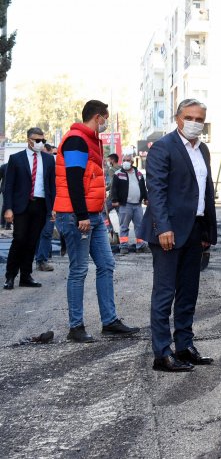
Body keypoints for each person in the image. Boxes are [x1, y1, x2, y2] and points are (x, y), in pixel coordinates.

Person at [139, 98, 217, 373]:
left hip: (194, 230)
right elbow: (156, 191)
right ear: (178, 118)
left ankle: (184, 345)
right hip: (168, 232)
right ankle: (162, 353)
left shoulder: (203, 150)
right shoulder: (163, 148)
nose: (195, 123)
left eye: (200, 119)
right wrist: (164, 228)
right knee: (164, 293)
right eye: (190, 117)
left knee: (188, 293)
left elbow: (205, 192)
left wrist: (206, 230)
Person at [54, 100, 140, 342]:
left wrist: (95, 214)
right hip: (76, 215)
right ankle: (76, 327)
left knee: (106, 263)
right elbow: (73, 179)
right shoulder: (76, 140)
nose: (106, 123)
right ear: (98, 117)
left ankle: (109, 321)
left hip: (92, 215)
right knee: (79, 269)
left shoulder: (91, 141)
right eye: (105, 118)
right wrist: (81, 215)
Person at [3, 128, 56, 290]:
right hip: (21, 206)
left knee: (33, 241)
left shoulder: (48, 160)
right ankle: (10, 276)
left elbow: (52, 186)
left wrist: (53, 208)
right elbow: (8, 186)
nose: (41, 143)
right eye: (37, 140)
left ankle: (26, 276)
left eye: (43, 141)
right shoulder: (16, 159)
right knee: (19, 239)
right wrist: (8, 208)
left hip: (40, 206)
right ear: (29, 140)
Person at [110, 152, 148, 255]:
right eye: (124, 160)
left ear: (131, 162)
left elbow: (143, 187)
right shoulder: (118, 174)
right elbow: (114, 189)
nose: (126, 162)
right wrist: (114, 200)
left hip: (137, 205)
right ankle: (123, 247)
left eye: (128, 160)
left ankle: (140, 246)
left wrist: (146, 198)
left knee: (140, 226)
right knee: (124, 227)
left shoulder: (138, 173)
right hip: (125, 205)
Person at [35, 143, 57, 272]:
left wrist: (55, 205)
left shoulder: (49, 161)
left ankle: (41, 260)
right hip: (34, 204)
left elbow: (53, 185)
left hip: (49, 205)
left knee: (47, 232)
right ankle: (37, 258)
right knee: (35, 233)